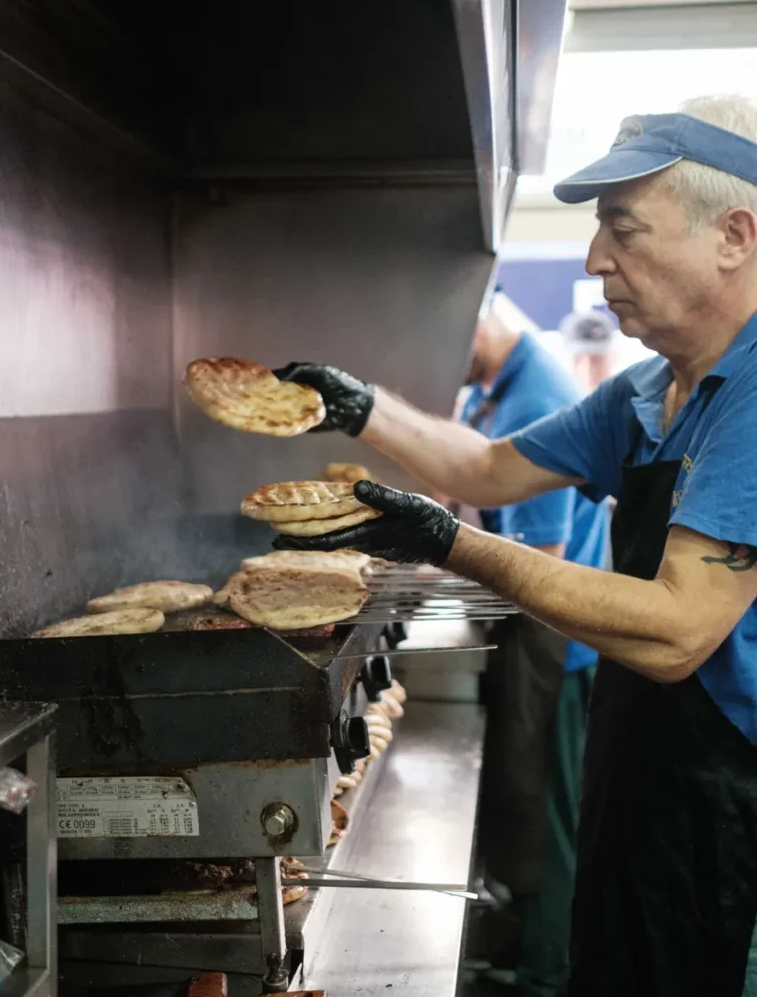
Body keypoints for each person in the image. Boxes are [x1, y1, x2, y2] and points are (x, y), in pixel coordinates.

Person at [272, 94, 757, 996]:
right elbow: (491, 466)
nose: (594, 258)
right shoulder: (652, 390)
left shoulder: (753, 396)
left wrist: (446, 540)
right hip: (642, 770)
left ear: (733, 234)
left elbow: (682, 629)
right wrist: (360, 407)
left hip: (733, 809)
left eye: (623, 227)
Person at [457, 296, 609, 997]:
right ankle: (526, 945)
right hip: (533, 633)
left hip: (560, 644)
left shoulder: (537, 398)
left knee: (553, 813)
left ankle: (549, 972)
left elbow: (540, 558)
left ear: (478, 324)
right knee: (528, 802)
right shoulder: (491, 391)